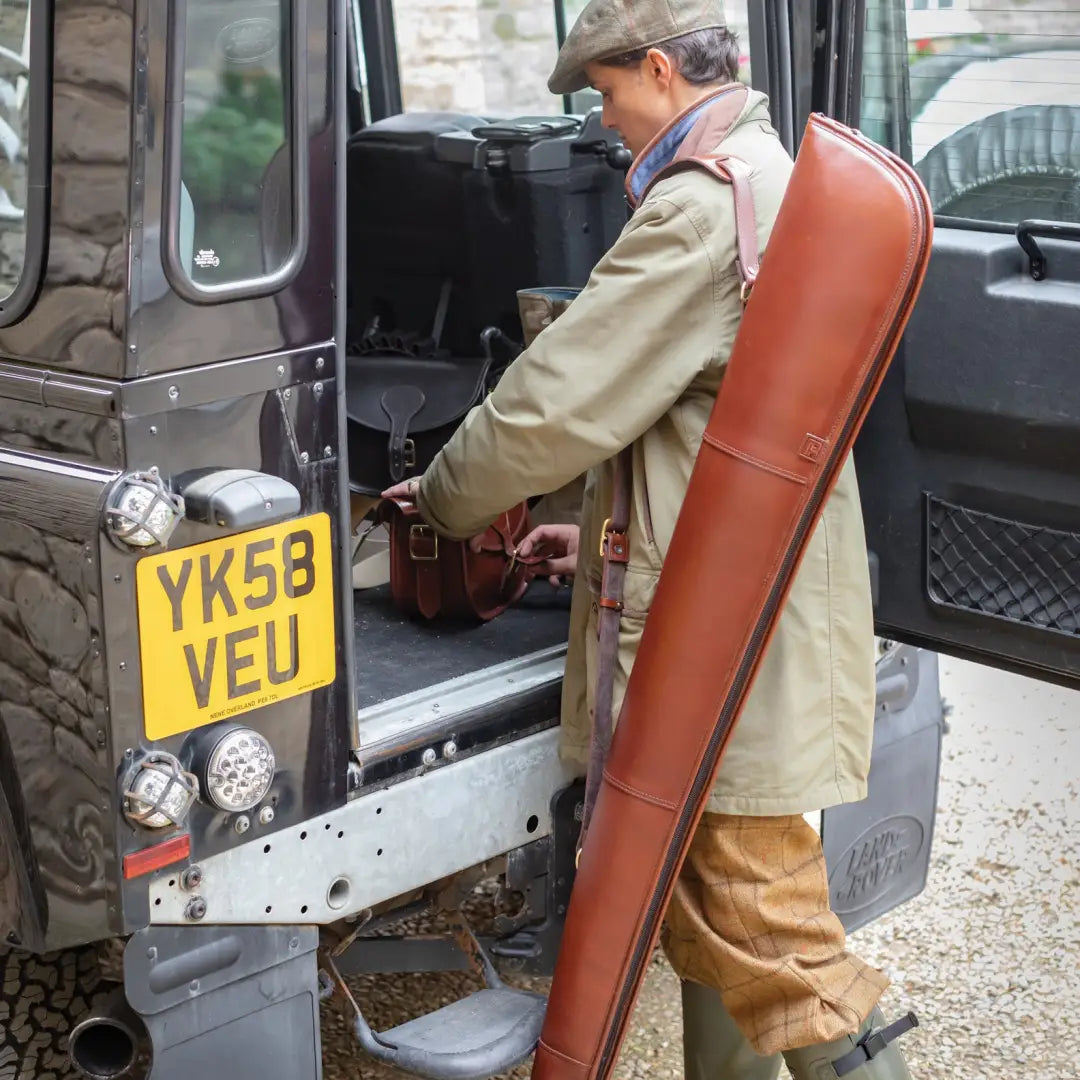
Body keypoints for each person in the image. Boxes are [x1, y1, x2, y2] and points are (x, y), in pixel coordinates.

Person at [385, 3, 917, 1077]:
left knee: (769, 930)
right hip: (748, 599)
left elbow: (553, 405)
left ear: (663, 71)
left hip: (723, 639)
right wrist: (600, 544)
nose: (604, 121)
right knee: (713, 910)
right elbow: (713, 435)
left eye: (609, 93)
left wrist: (444, 504)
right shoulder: (765, 176)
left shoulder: (699, 207)